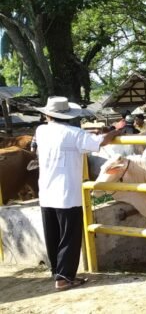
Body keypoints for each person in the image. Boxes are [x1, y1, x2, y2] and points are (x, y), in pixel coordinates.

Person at [33, 96, 121, 290]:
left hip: (46, 192)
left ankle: (57, 272)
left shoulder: (41, 131)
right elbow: (103, 141)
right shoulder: (75, 134)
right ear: (68, 115)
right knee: (70, 236)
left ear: (48, 114)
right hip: (67, 194)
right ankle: (64, 277)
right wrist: (116, 130)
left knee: (53, 235)